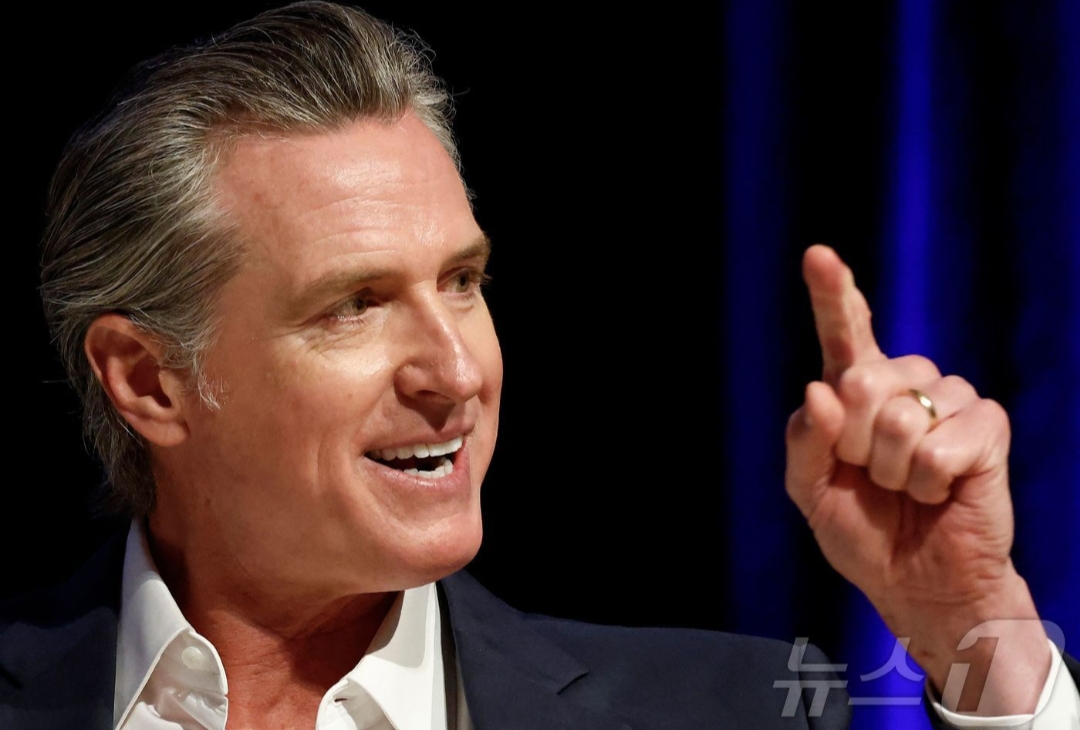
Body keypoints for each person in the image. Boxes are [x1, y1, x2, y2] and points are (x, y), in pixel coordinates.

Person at [2, 3, 1076, 729]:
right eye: (355, 304)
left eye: (462, 281)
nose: (455, 371)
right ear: (149, 380)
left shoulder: (733, 710)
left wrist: (972, 617)